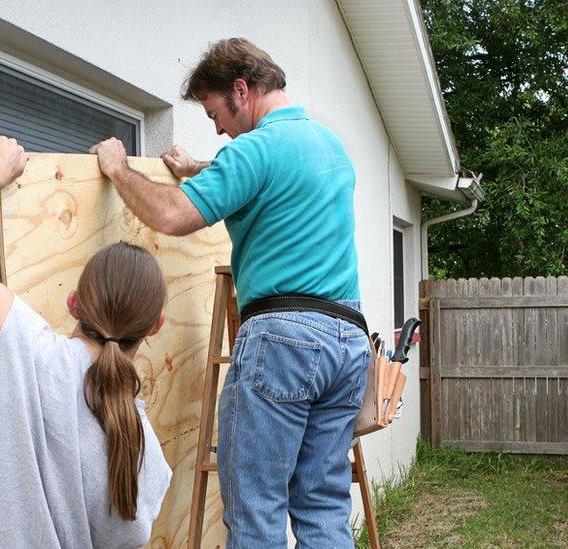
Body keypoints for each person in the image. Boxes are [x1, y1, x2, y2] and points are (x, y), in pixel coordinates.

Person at [89, 38, 369, 547]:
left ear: (241, 89)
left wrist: (118, 169)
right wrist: (203, 171)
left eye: (216, 111)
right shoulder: (328, 144)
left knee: (257, 513)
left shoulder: (255, 150)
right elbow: (274, 186)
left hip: (286, 341)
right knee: (323, 507)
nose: (217, 127)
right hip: (348, 343)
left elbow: (174, 216)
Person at [0, 136, 172, 548]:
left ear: (73, 304)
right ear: (155, 326)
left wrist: (0, 168)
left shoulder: (22, 348)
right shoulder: (146, 452)